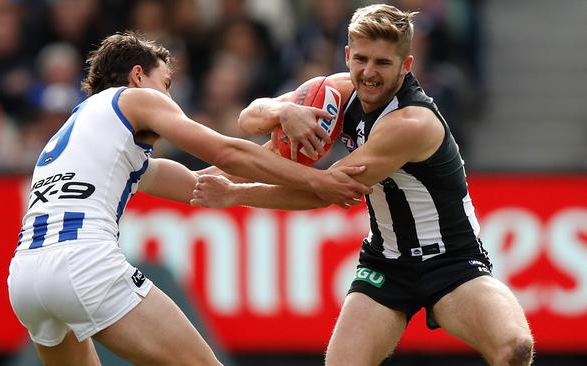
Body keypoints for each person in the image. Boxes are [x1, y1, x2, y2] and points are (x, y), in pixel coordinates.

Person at [191, 4, 534, 366]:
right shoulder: (339, 90)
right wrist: (283, 111)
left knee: (514, 348)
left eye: (383, 64)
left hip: (452, 262)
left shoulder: (411, 122)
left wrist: (236, 193)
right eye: (361, 59)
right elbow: (248, 118)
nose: (369, 73)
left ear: (406, 65)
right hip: (386, 262)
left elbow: (324, 190)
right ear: (346, 56)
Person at [6, 31, 370, 366]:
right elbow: (226, 153)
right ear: (137, 76)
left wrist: (274, 153)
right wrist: (319, 180)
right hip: (84, 263)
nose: (168, 99)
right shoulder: (135, 99)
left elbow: (200, 183)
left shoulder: (82, 132)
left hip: (25, 279)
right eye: (165, 85)